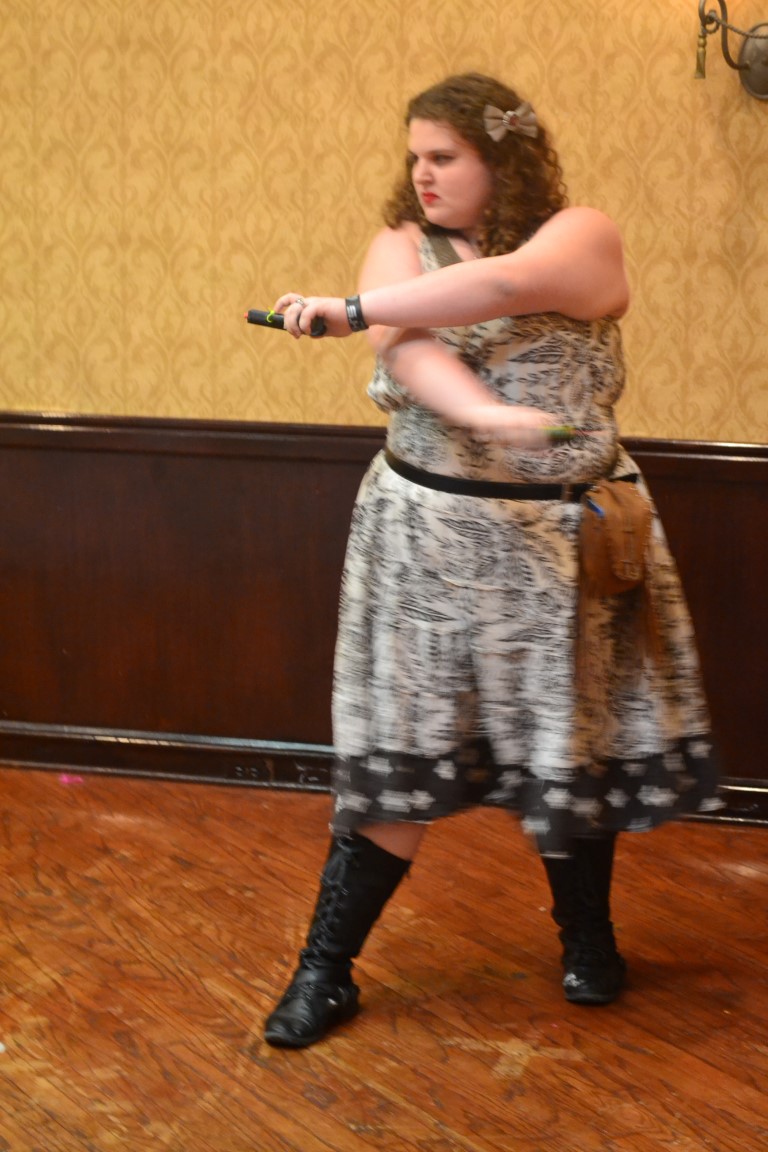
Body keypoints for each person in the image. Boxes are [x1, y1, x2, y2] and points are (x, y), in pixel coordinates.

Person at [262, 73, 722, 1049]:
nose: (422, 175)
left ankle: (588, 942)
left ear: (503, 159)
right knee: (399, 757)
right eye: (415, 158)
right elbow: (408, 349)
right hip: (427, 546)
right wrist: (483, 412)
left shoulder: (581, 233)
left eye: (445, 156)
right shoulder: (400, 248)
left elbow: (505, 287)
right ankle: (325, 972)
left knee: (569, 747)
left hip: (563, 549)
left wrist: (347, 309)